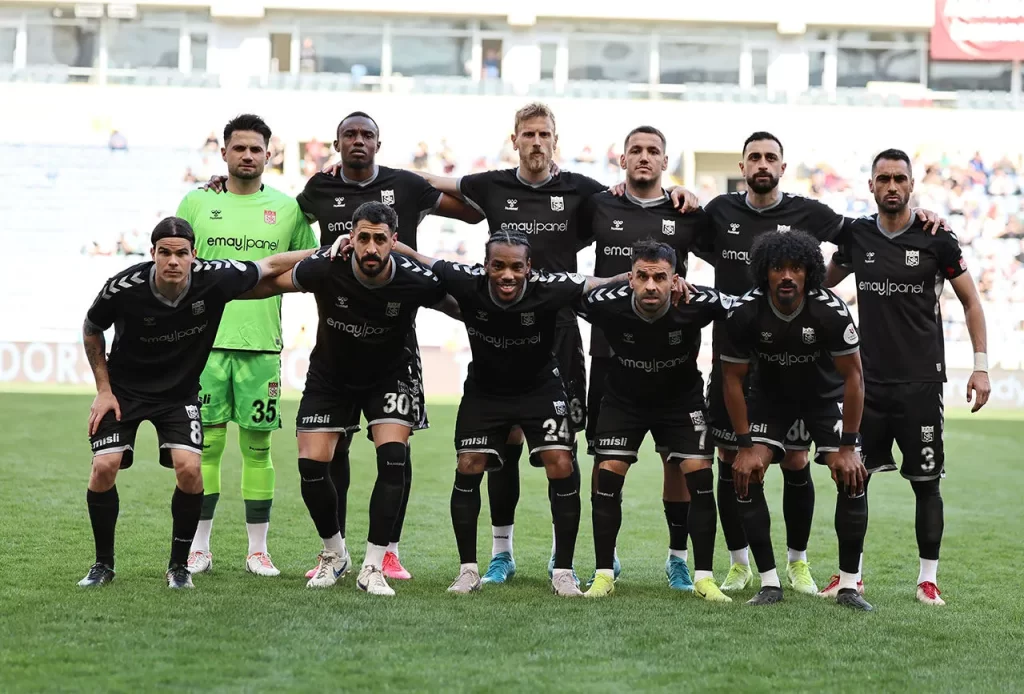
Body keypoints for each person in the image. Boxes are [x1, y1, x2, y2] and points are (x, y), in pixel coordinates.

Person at [415, 102, 698, 585]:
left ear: (555, 141)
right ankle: (501, 553)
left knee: (561, 450)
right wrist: (375, 177)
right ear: (515, 140)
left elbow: (634, 200)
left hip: (561, 331)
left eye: (544, 134)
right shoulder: (491, 184)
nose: (536, 142)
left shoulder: (584, 191)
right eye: (528, 134)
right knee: (503, 441)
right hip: (503, 332)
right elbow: (429, 184)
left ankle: (558, 557)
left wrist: (677, 191)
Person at [205, 111, 483, 581]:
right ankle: (335, 551)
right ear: (336, 144)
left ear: (379, 142)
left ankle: (385, 553)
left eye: (366, 135)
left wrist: (426, 183)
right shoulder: (320, 192)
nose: (358, 141)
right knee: (327, 454)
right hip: (335, 346)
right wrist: (230, 188)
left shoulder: (406, 190)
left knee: (393, 452)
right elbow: (279, 229)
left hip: (395, 344)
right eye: (349, 135)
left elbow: (473, 216)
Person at [701, 131, 947, 594]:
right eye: (754, 157)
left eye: (770, 157)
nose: (787, 275)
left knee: (823, 466)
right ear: (742, 165)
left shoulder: (825, 292)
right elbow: (678, 231)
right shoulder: (721, 221)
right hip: (756, 379)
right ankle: (751, 571)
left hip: (816, 388)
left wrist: (916, 219)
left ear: (782, 166)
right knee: (736, 462)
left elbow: (864, 233)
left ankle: (822, 573)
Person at [385, 231, 626, 597]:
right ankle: (468, 571)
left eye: (516, 267)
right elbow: (422, 261)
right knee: (469, 463)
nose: (507, 275)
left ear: (529, 268)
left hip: (540, 388)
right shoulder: (466, 280)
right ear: (485, 266)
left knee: (561, 462)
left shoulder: (549, 287)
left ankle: (563, 571)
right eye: (498, 266)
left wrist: (631, 276)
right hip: (486, 391)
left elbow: (596, 283)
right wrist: (391, 246)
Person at [78, 218, 312, 589]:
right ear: (152, 253)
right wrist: (103, 390)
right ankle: (102, 565)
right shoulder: (123, 287)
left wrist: (326, 252)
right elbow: (92, 328)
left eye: (181, 253)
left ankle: (179, 566)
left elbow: (269, 266)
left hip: (178, 394)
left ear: (193, 255)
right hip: (124, 392)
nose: (173, 261)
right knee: (104, 467)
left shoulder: (213, 278)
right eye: (165, 253)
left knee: (189, 469)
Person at [252, 201, 457, 596]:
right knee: (311, 466)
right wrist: (213, 296)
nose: (371, 248)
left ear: (394, 241)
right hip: (331, 376)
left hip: (390, 376)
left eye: (380, 239)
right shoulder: (326, 267)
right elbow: (269, 282)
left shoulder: (415, 279)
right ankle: (335, 553)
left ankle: (374, 566)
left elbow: (462, 306)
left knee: (393, 460)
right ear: (351, 237)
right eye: (363, 238)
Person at [823, 149, 990, 605]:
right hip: (865, 385)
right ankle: (850, 576)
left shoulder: (938, 238)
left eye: (900, 178)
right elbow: (822, 284)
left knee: (927, 483)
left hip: (921, 384)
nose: (892, 186)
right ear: (871, 186)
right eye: (884, 179)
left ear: (912, 185)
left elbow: (971, 302)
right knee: (852, 479)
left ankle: (927, 580)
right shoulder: (857, 236)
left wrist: (980, 366)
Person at [177, 114, 318, 578]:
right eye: (239, 148)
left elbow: (309, 265)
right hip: (204, 345)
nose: (247, 155)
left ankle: (258, 550)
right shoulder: (197, 202)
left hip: (261, 345)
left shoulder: (288, 209)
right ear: (223, 153)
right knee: (206, 446)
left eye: (256, 149)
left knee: (258, 449)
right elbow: (174, 264)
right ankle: (199, 547)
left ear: (268, 154)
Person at [577, 125, 711, 590]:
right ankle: (605, 559)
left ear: (665, 161)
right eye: (635, 150)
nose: (644, 157)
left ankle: (678, 559)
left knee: (678, 460)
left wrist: (687, 194)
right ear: (622, 159)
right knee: (604, 458)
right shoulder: (600, 204)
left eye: (653, 151)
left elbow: (726, 260)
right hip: (611, 355)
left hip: (674, 359)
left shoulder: (685, 211)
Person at [721, 230, 872, 610]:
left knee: (852, 474)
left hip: (824, 399)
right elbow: (732, 380)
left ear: (809, 272)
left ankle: (849, 585)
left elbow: (854, 377)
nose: (787, 276)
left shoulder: (830, 310)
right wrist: (744, 445)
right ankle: (769, 582)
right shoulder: (744, 311)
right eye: (777, 268)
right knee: (747, 471)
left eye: (796, 268)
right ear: (764, 272)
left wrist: (849, 446)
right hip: (770, 401)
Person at [575, 241, 730, 602]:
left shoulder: (696, 303)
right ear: (630, 278)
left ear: (675, 280)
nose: (650, 285)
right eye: (642, 276)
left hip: (680, 401)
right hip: (623, 400)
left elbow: (744, 308)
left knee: (700, 476)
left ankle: (701, 576)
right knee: (608, 474)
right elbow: (560, 295)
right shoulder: (605, 302)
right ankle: (603, 574)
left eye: (660, 277)